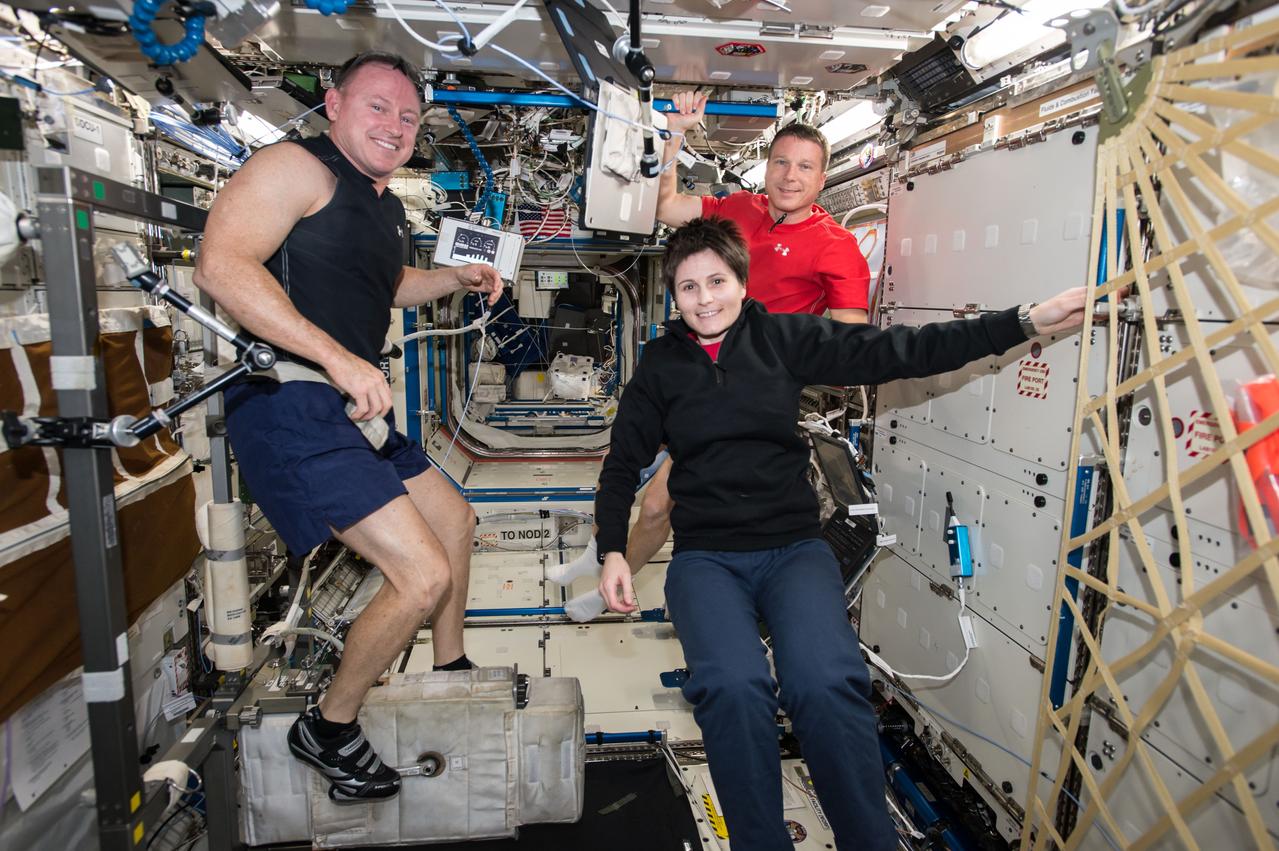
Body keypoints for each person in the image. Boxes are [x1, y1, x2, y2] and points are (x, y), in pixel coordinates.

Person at [594, 217, 1089, 850]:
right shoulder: (662, 365)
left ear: (742, 283)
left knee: (826, 685)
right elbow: (621, 464)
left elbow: (901, 350)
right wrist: (613, 550)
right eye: (688, 288)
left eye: (717, 281)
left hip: (793, 552)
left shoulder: (784, 339)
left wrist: (1023, 321)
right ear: (674, 297)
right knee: (733, 688)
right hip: (707, 559)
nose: (705, 299)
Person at [193, 51, 503, 803]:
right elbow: (220, 266)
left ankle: (449, 666)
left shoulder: (383, 205)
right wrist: (339, 358)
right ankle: (328, 727)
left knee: (455, 521)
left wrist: (453, 278)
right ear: (332, 103)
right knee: (420, 575)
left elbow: (386, 285)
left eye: (408, 116)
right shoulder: (294, 167)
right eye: (377, 106)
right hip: (291, 401)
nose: (395, 125)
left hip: (348, 407)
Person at [547, 92, 871, 617]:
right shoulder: (740, 207)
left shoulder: (836, 245)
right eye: (781, 162)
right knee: (621, 462)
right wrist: (675, 133)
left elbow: (852, 340)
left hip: (744, 390)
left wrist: (792, 356)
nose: (789, 176)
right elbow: (667, 206)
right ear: (767, 167)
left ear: (822, 178)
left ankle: (608, 589)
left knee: (659, 501)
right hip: (693, 363)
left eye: (805, 167)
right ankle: (600, 554)